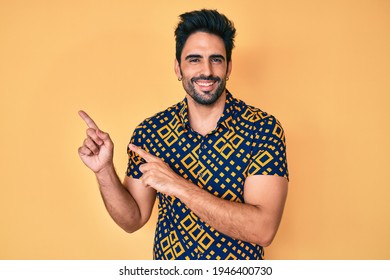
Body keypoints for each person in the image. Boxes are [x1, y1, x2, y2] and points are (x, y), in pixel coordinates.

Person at [78, 9, 289, 260]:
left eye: (216, 59)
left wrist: (178, 185)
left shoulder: (263, 130)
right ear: (178, 68)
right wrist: (104, 171)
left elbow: (263, 230)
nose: (207, 70)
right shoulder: (151, 133)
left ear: (229, 67)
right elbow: (132, 220)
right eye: (194, 59)